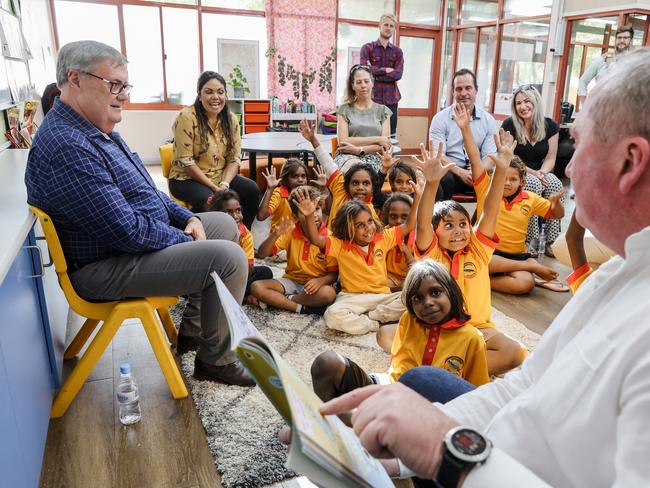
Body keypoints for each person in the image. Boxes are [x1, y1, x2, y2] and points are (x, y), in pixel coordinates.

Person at [319, 48, 650, 487]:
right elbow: (522, 387)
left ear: (629, 163)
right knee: (420, 381)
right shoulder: (615, 274)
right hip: (495, 447)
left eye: (581, 143)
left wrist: (451, 455)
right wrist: (400, 453)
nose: (567, 166)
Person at [25, 40, 254, 387]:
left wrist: (187, 219)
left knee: (221, 224)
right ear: (75, 79)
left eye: (124, 86)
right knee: (229, 258)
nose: (123, 96)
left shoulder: (96, 130)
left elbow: (147, 192)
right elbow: (126, 230)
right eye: (114, 85)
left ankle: (193, 333)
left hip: (125, 247)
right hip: (103, 266)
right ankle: (215, 360)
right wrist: (184, 236)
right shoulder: (68, 145)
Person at [310, 260, 488, 418]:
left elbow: (476, 396)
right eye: (418, 298)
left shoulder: (472, 338)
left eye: (435, 292)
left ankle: (354, 423)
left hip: (429, 414)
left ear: (452, 292)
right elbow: (397, 366)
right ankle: (334, 424)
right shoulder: (408, 319)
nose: (427, 302)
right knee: (326, 363)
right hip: (387, 391)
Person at [414, 130, 528, 377]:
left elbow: (489, 211)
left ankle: (447, 368)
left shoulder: (478, 249)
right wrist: (432, 183)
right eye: (448, 225)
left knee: (517, 352)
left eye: (463, 224)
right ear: (436, 232)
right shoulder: (431, 255)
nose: (458, 232)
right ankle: (456, 367)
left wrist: (501, 168)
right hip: (440, 330)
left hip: (479, 330)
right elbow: (422, 225)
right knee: (387, 335)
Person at [168, 71, 260, 227]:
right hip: (187, 179)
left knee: (252, 190)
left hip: (220, 177)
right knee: (211, 200)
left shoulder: (231, 119)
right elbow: (186, 162)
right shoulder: (186, 117)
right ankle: (210, 241)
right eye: (209, 92)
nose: (215, 97)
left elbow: (234, 158)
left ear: (225, 94)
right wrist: (214, 188)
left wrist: (224, 184)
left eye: (220, 92)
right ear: (199, 94)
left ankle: (244, 236)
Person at [252, 185, 338, 315]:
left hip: (317, 286)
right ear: (295, 216)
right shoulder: (291, 231)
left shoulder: (329, 237)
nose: (313, 215)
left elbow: (333, 275)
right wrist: (275, 234)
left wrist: (320, 281)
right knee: (256, 287)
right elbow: (262, 254)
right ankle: (300, 308)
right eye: (305, 212)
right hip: (291, 281)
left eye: (317, 209)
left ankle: (288, 300)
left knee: (329, 294)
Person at [501, 85, 565, 256]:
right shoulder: (509, 125)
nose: (523, 106)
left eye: (527, 101)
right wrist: (534, 174)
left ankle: (552, 240)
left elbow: (551, 157)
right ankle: (529, 239)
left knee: (554, 184)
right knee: (533, 185)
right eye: (518, 103)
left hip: (542, 169)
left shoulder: (550, 125)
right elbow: (510, 157)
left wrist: (542, 173)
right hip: (517, 171)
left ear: (535, 101)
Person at [429, 69, 497, 201]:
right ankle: (442, 218)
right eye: (459, 89)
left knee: (500, 180)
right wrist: (461, 172)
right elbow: (438, 155)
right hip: (452, 171)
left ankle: (483, 220)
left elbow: (490, 156)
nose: (463, 93)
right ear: (453, 92)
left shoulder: (488, 120)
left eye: (468, 88)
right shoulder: (440, 119)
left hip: (479, 171)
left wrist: (477, 171)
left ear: (476, 90)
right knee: (440, 177)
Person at [205, 190, 273, 300]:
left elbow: (247, 271)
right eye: (228, 212)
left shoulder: (245, 235)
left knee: (265, 272)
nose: (235, 216)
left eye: (238, 210)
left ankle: (231, 295)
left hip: (235, 276)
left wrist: (236, 241)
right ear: (216, 214)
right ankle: (239, 295)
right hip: (212, 276)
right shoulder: (210, 230)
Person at [333, 65, 392, 173]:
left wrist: (359, 150)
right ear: (353, 86)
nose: (363, 85)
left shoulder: (384, 111)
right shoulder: (344, 109)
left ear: (372, 83)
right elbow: (343, 142)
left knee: (364, 173)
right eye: (359, 82)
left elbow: (385, 146)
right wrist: (378, 139)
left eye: (366, 81)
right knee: (357, 171)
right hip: (347, 157)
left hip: (376, 158)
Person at [360, 13, 404, 137]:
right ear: (379, 26)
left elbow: (398, 74)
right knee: (370, 136)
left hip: (392, 101)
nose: (388, 28)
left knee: (391, 137)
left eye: (391, 26)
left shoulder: (398, 52)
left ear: (394, 29)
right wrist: (385, 70)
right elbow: (364, 71)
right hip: (372, 99)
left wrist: (375, 73)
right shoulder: (367, 48)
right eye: (386, 24)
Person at [577, 25, 634, 108]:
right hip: (598, 111)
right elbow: (583, 80)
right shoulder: (602, 59)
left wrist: (610, 63)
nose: (621, 40)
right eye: (619, 37)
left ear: (631, 40)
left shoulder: (633, 63)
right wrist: (584, 106)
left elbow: (617, 80)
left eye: (625, 38)